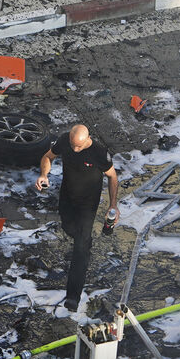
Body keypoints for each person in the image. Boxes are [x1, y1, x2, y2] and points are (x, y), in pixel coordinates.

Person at [34, 124, 119, 313]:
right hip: (67, 196)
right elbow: (48, 157)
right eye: (73, 145)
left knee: (80, 248)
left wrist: (113, 205)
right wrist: (43, 175)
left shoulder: (99, 152)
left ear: (87, 140)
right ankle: (83, 239)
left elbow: (113, 177)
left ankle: (73, 297)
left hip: (87, 205)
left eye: (78, 147)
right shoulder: (65, 140)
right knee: (69, 228)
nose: (74, 149)